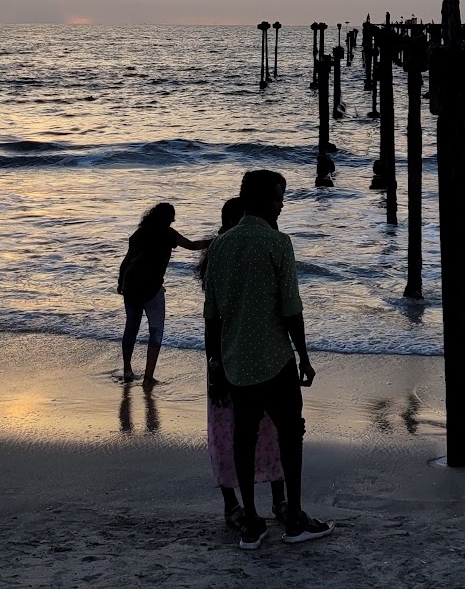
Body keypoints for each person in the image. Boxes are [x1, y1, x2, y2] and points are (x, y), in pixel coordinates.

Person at [203, 169, 332, 549]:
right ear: (260, 200)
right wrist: (304, 356)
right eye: (278, 198)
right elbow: (291, 309)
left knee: (244, 440)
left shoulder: (220, 247)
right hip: (276, 361)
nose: (281, 205)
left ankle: (252, 523)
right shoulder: (278, 243)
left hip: (236, 364)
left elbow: (212, 316)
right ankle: (293, 518)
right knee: (290, 438)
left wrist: (215, 364)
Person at [199, 197, 287, 529]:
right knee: (234, 432)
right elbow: (213, 320)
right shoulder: (222, 259)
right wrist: (215, 366)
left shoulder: (255, 251)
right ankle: (239, 504)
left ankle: (262, 501)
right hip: (231, 359)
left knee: (258, 430)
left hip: (248, 358)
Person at [117, 202, 209, 387]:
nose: (173, 221)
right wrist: (216, 240)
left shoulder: (138, 234)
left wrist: (120, 283)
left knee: (131, 328)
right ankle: (148, 378)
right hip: (151, 288)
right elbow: (191, 246)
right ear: (168, 218)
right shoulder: (168, 233)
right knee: (156, 331)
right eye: (171, 218)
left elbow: (125, 262)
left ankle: (127, 370)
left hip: (130, 285)